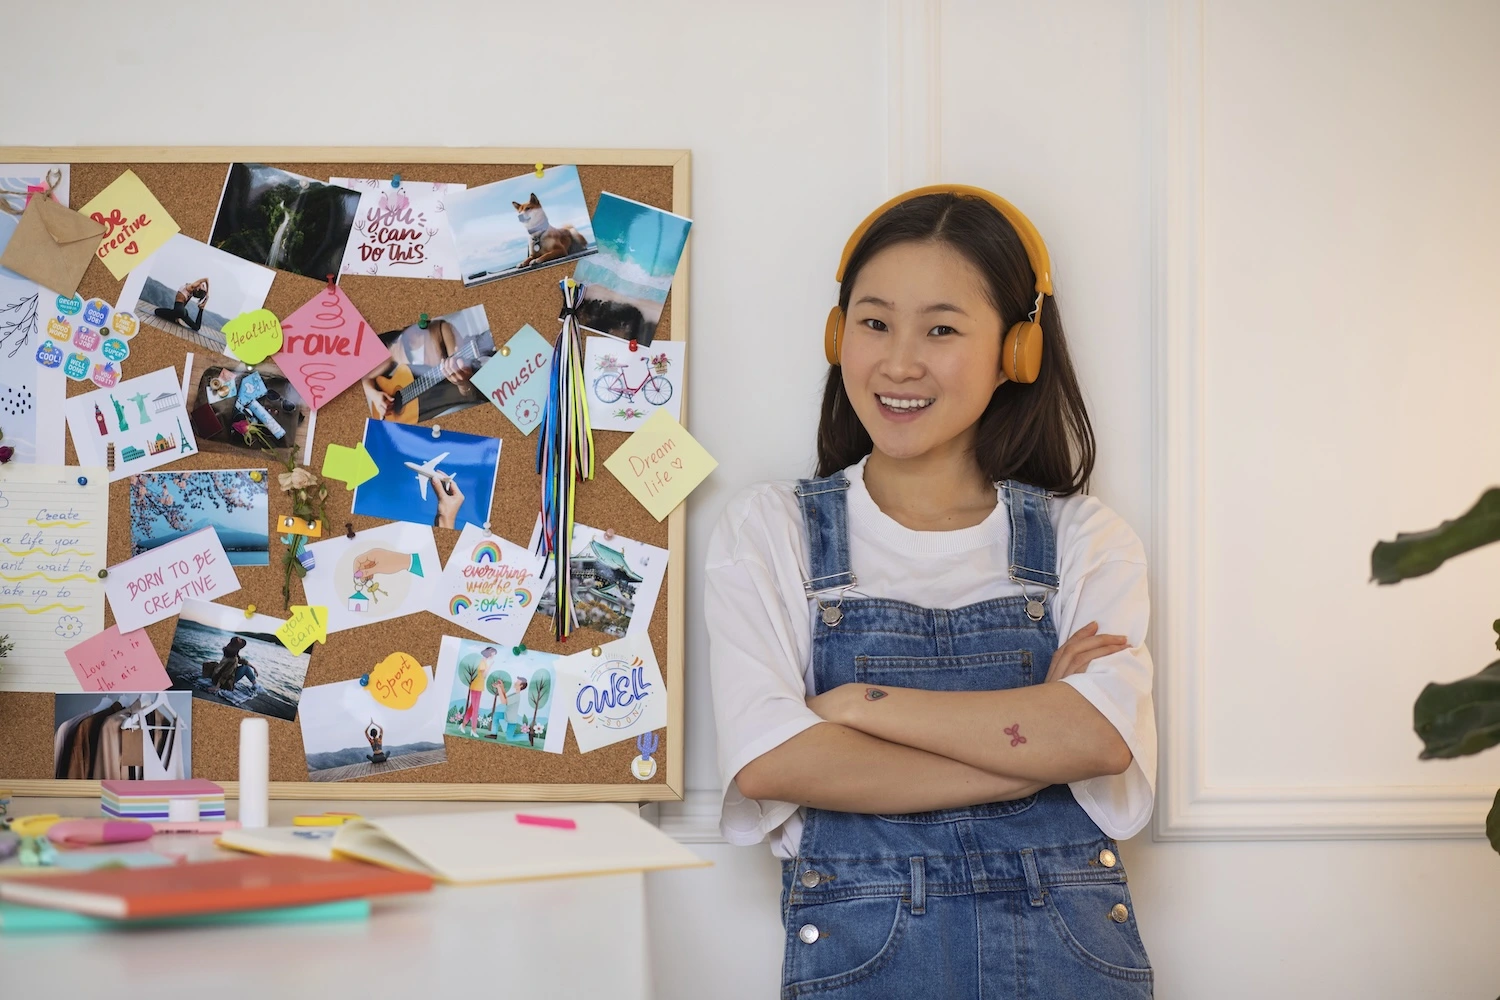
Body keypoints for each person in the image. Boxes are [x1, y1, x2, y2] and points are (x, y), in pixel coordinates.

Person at [706, 186, 1157, 996]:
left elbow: (1097, 742)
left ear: (1016, 353)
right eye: (874, 322)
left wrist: (860, 705)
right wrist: (1032, 756)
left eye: (942, 329)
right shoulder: (767, 530)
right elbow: (773, 762)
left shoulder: (1087, 539)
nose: (899, 362)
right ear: (838, 334)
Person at [361, 317, 491, 422]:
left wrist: (463, 383)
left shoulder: (439, 330)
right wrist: (375, 396)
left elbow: (470, 393)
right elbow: (366, 379)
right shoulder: (390, 362)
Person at [457, 645, 498, 735]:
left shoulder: (484, 661)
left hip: (478, 686)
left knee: (472, 707)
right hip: (476, 686)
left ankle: (463, 725)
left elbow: (483, 676)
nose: (493, 656)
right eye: (492, 654)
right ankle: (473, 729)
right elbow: (483, 676)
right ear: (489, 654)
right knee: (476, 709)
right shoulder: (483, 662)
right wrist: (490, 666)